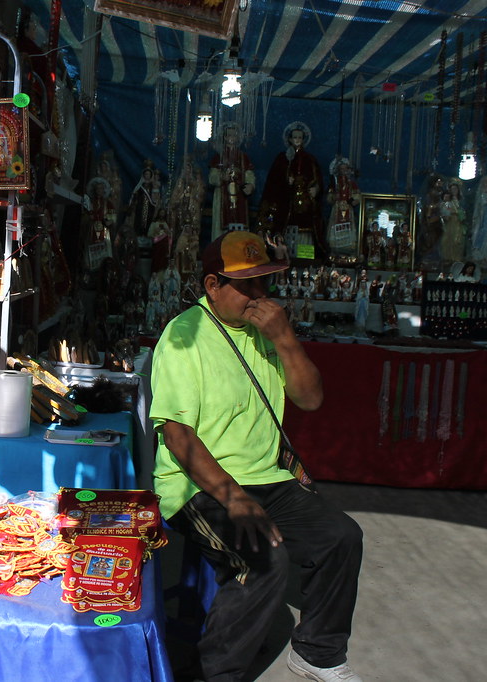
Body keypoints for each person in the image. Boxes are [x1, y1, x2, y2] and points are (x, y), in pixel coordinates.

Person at [149, 230, 363, 682]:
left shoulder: (266, 331)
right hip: (197, 484)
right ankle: (214, 674)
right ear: (213, 285)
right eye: (247, 285)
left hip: (268, 477)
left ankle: (318, 652)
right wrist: (234, 498)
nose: (259, 295)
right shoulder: (184, 336)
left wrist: (286, 339)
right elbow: (178, 434)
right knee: (263, 561)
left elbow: (310, 399)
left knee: (342, 536)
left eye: (265, 282)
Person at [258, 122, 325, 260]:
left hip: (304, 204)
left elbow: (317, 180)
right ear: (289, 139)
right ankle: (283, 255)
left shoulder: (310, 160)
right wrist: (286, 180)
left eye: (300, 137)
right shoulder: (282, 158)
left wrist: (316, 189)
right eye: (295, 137)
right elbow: (273, 181)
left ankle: (304, 256)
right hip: (285, 202)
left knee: (304, 229)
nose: (297, 140)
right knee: (283, 226)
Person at [208, 122, 255, 241]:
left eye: (234, 135)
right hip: (222, 196)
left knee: (240, 221)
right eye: (229, 135)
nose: (231, 138)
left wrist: (250, 185)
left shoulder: (243, 157)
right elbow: (212, 177)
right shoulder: (219, 157)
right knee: (221, 224)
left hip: (240, 195)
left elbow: (249, 175)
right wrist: (221, 177)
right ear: (224, 137)